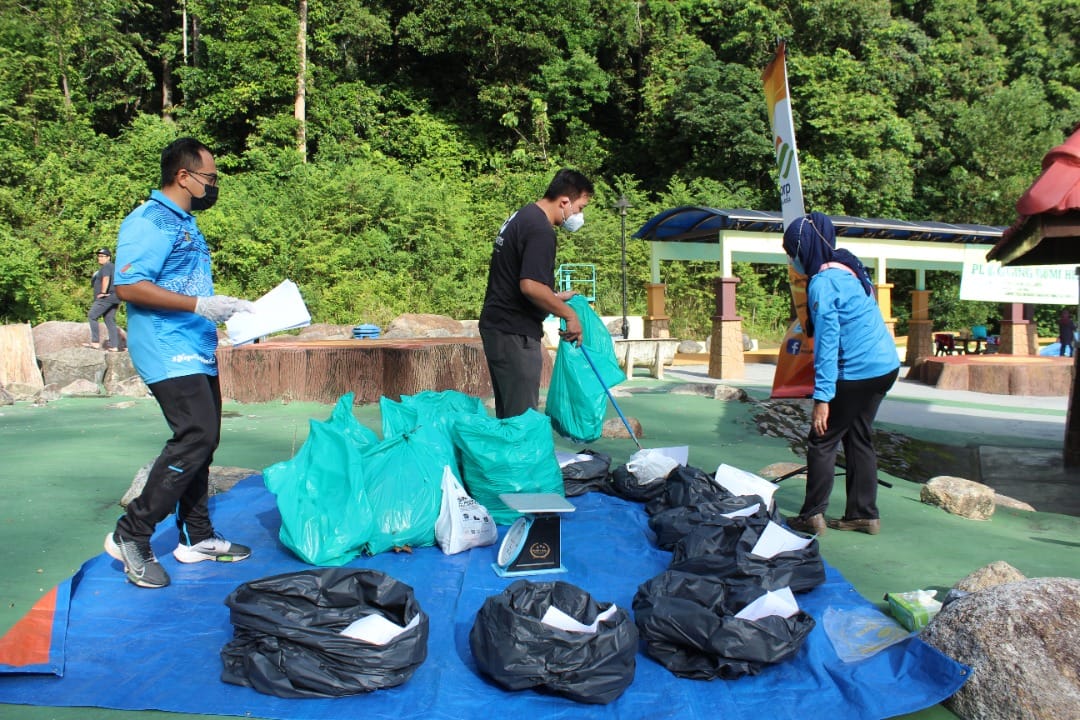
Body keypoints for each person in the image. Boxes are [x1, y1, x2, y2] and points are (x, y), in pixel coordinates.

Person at [104, 137, 256, 589]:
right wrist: (198, 306)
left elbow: (186, 284)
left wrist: (226, 315)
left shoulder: (183, 221)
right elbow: (128, 287)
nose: (212, 186)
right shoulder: (149, 221)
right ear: (183, 176)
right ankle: (132, 533)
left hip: (194, 345)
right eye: (208, 178)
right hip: (166, 347)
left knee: (205, 442)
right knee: (195, 436)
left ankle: (197, 538)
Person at [782, 211, 900, 536]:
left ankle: (812, 515)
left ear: (804, 248)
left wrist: (822, 397)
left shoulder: (822, 282)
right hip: (884, 367)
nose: (792, 260)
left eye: (792, 252)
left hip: (857, 372)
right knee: (858, 435)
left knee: (822, 439)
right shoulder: (849, 267)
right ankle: (864, 514)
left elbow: (828, 342)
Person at [479, 169, 594, 419]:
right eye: (580, 207)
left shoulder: (523, 215)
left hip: (499, 326)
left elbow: (519, 276)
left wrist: (553, 297)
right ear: (564, 201)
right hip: (514, 331)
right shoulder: (541, 229)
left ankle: (510, 457)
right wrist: (570, 315)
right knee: (521, 420)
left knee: (510, 414)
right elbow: (530, 285)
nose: (579, 215)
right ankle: (518, 459)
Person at [85, 247, 121, 351]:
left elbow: (106, 278)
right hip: (115, 297)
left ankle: (95, 342)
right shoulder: (113, 267)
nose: (99, 258)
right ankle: (114, 346)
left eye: (102, 256)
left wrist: (103, 292)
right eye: (99, 256)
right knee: (109, 319)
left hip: (107, 297)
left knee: (92, 315)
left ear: (108, 257)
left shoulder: (106, 267)